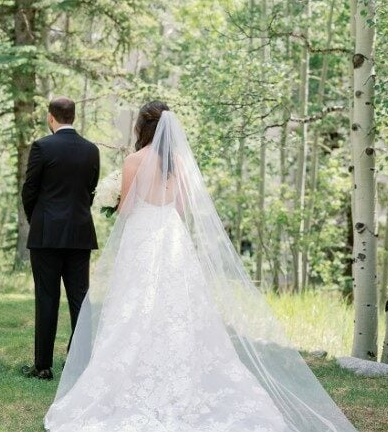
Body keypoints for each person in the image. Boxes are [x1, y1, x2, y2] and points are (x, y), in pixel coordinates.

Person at [44, 101, 358, 432]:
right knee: (177, 309)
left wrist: (113, 201)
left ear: (141, 127)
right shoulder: (178, 162)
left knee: (134, 307)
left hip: (142, 238)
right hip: (172, 238)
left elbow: (127, 210)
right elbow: (180, 208)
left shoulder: (134, 160)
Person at [21, 96, 100, 380]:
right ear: (74, 117)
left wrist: (38, 219)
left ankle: (43, 366)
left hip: (46, 235)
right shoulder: (91, 150)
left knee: (46, 297)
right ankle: (77, 362)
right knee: (79, 299)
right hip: (79, 233)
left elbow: (30, 190)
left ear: (51, 117)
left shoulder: (43, 147)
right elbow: (90, 190)